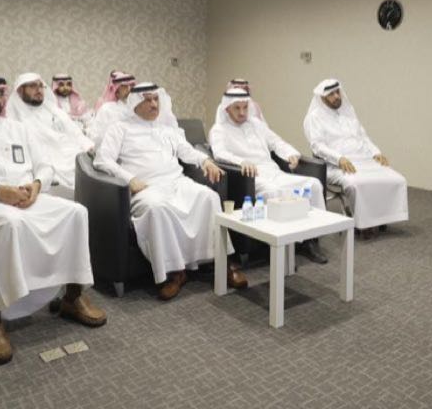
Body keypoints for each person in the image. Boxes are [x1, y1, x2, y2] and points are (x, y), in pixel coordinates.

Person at [0, 74, 106, 365]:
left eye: (0, 93)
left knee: (75, 212)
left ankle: (72, 296)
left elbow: (44, 165)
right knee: (9, 224)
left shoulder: (16, 128)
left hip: (25, 198)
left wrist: (36, 185)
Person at [94, 82, 247, 300]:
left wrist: (206, 161)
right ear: (135, 103)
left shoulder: (167, 128)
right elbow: (103, 160)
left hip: (177, 182)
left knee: (209, 197)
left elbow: (187, 151)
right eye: (147, 100)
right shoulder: (120, 128)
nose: (154, 104)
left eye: (156, 99)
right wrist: (130, 179)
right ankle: (174, 273)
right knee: (157, 208)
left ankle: (222, 262)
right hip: (146, 187)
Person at [209, 86, 328, 263]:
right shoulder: (219, 130)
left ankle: (310, 240)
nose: (242, 112)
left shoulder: (257, 124)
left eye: (245, 107)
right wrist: (241, 162)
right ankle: (278, 246)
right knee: (273, 192)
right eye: (237, 108)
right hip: (251, 176)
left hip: (273, 171)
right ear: (227, 109)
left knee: (313, 184)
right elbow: (219, 154)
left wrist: (290, 154)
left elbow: (276, 142)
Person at [303, 79, 409, 240]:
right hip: (336, 165)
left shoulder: (348, 111)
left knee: (397, 179)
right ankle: (363, 223)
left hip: (364, 160)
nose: (336, 96)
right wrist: (339, 159)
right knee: (356, 184)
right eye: (331, 94)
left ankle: (381, 218)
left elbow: (363, 137)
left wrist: (376, 152)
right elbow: (317, 146)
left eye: (337, 92)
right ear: (322, 98)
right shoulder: (314, 117)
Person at [6, 73, 95, 198]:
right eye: (32, 86)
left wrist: (89, 146)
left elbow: (75, 132)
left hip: (72, 156)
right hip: (47, 163)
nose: (38, 90)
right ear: (20, 90)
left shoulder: (54, 110)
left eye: (40, 86)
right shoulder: (14, 118)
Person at [88, 70, 137, 147]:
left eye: (131, 86)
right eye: (124, 86)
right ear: (116, 90)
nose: (129, 89)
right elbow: (96, 136)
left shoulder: (136, 108)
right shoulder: (107, 108)